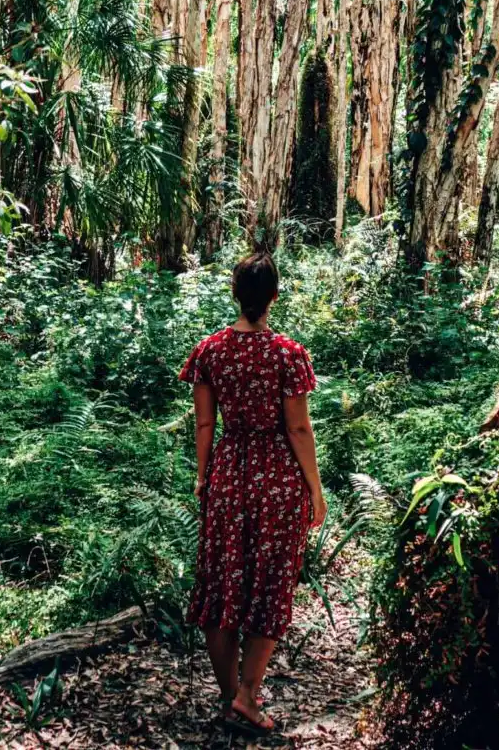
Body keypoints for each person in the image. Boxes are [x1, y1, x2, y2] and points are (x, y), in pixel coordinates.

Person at [178, 250, 327, 735]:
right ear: (275, 297)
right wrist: (316, 490)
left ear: (235, 294)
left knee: (221, 583)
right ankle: (247, 695)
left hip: (227, 474)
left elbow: (205, 422)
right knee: (268, 583)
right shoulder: (288, 354)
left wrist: (204, 477)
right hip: (278, 479)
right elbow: (299, 429)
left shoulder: (210, 351)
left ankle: (230, 698)